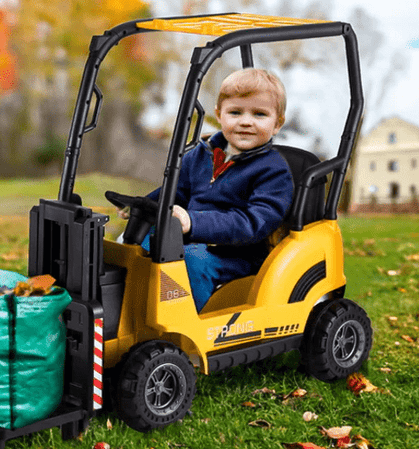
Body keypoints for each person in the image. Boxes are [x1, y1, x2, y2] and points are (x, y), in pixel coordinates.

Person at [119, 68, 294, 312]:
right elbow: (176, 193)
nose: (245, 121)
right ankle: (134, 310)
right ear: (219, 115)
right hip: (190, 240)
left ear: (277, 124)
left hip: (236, 255)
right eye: (235, 112)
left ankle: (185, 330)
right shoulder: (201, 155)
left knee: (191, 262)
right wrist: (144, 206)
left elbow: (252, 224)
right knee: (135, 244)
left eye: (259, 114)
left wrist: (194, 222)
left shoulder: (273, 171)